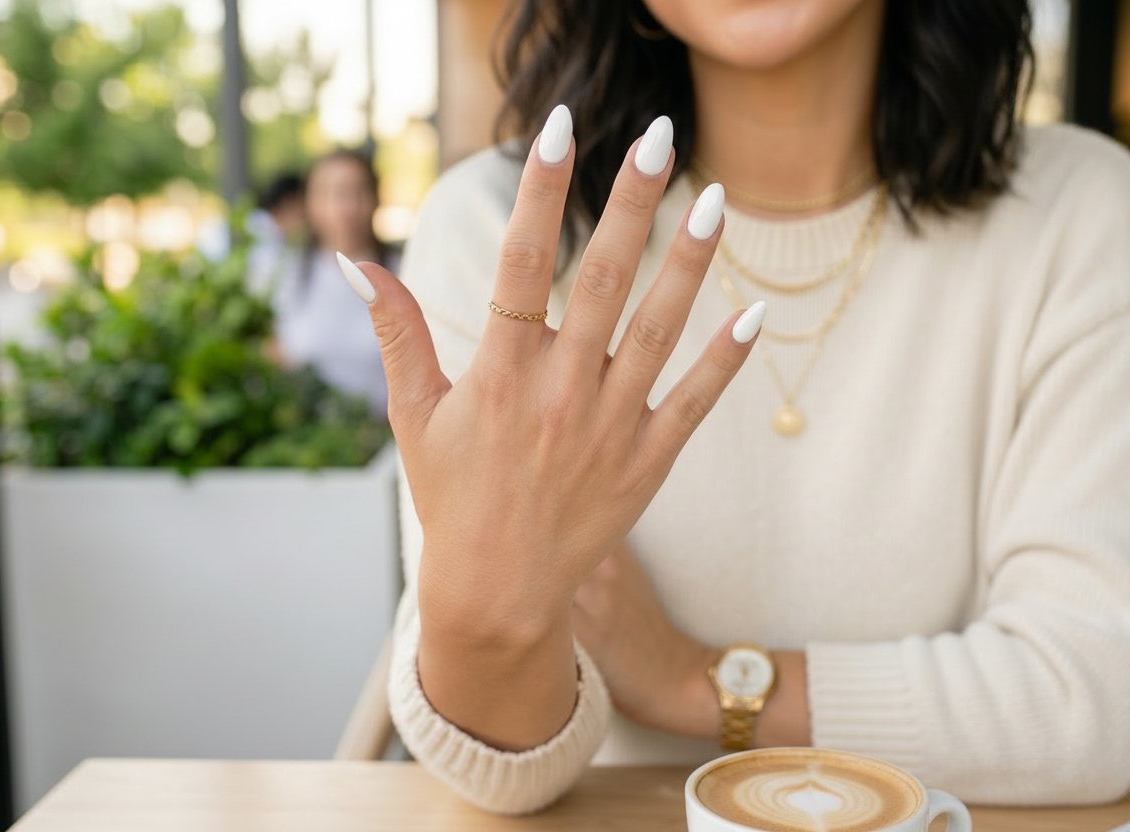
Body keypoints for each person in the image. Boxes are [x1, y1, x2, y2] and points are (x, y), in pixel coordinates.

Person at [333, 0, 1130, 816]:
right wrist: (485, 617)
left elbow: (1096, 697)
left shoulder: (1082, 211)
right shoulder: (502, 225)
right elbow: (500, 770)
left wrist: (697, 680)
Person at [273, 150, 391, 417]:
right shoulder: (283, 273)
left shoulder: (403, 269)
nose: (344, 207)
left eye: (355, 191)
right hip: (310, 437)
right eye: (329, 192)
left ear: (375, 197)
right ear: (309, 202)